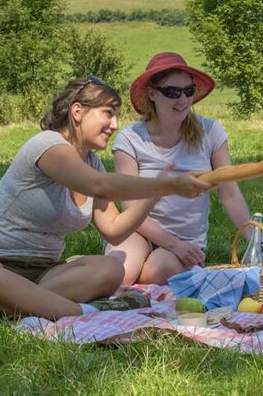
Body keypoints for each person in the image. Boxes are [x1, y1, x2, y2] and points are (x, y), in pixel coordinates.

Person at [0, 76, 211, 321]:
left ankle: (2, 307)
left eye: (117, 116)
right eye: (108, 113)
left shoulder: (92, 161)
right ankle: (86, 312)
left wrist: (156, 193)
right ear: (77, 112)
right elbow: (99, 186)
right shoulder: (47, 146)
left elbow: (114, 231)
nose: (115, 125)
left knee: (111, 269)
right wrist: (168, 183)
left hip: (45, 274)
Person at [105, 52, 251, 285]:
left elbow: (230, 194)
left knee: (159, 272)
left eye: (188, 91)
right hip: (139, 231)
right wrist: (172, 244)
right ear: (152, 93)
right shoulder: (130, 139)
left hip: (185, 240)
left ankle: (118, 273)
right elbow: (129, 207)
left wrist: (255, 238)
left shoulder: (210, 132)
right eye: (172, 92)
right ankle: (99, 271)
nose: (182, 100)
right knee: (118, 274)